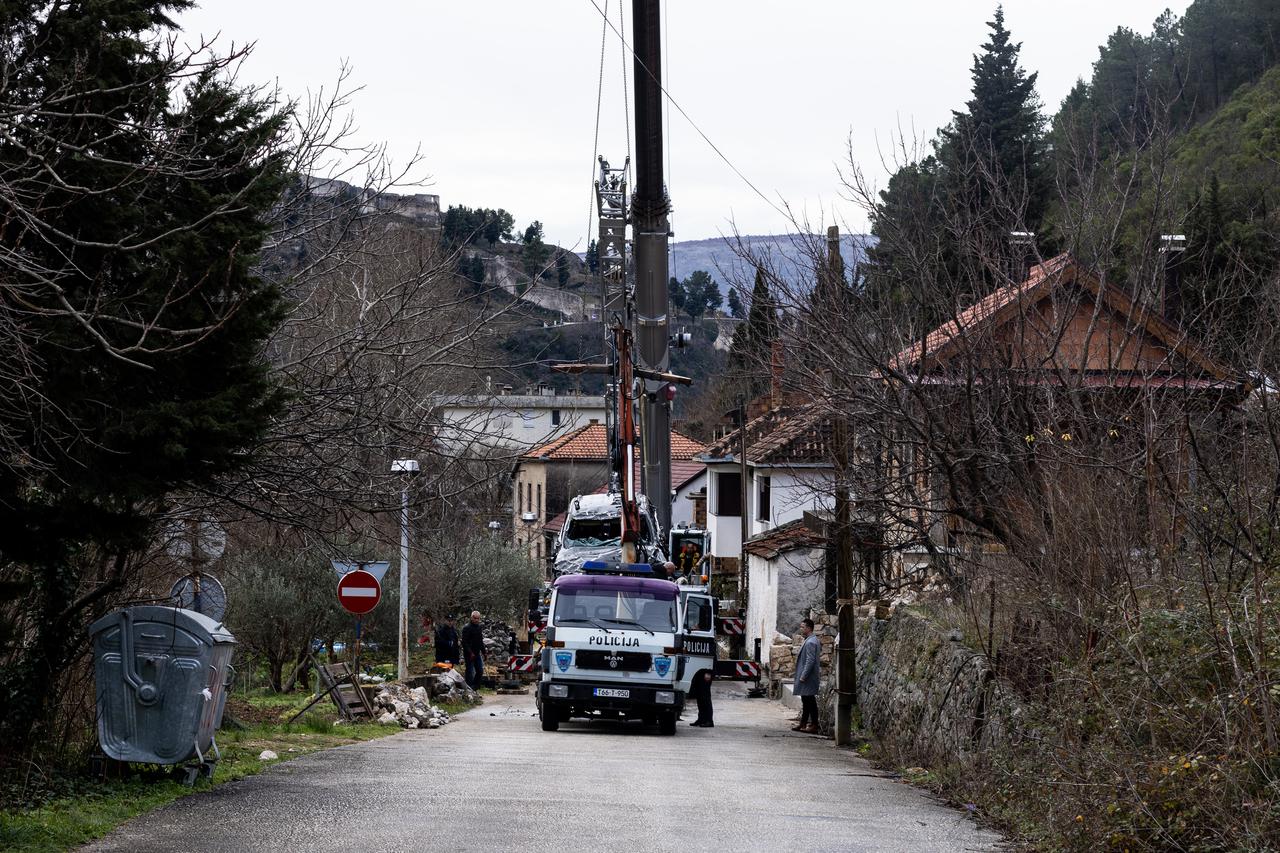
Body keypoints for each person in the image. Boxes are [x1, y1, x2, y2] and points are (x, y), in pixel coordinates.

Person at [792, 618, 821, 733]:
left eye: (803, 627)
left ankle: (814, 725)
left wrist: (803, 675)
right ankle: (803, 724)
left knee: (810, 701)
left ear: (809, 628)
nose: (801, 629)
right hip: (808, 677)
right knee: (806, 700)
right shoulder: (810, 640)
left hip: (808, 677)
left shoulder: (811, 642)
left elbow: (810, 660)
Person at [461, 610, 486, 689]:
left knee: (480, 670)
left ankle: (475, 687)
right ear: (471, 617)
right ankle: (469, 688)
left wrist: (484, 652)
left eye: (478, 618)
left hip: (477, 652)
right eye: (475, 618)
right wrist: (470, 652)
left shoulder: (479, 627)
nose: (476, 620)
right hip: (469, 654)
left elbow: (480, 641)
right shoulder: (466, 628)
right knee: (470, 671)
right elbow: (464, 643)